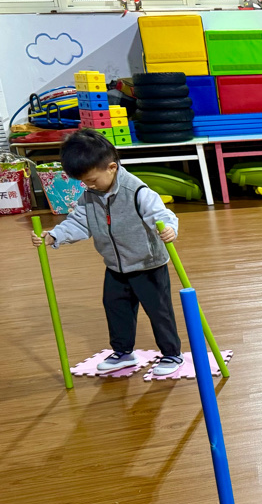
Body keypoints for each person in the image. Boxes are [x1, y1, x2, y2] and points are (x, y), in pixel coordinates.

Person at [31, 130, 184, 377]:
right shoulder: (90, 196)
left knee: (159, 311)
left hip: (148, 264)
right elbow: (80, 222)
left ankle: (171, 353)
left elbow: (161, 214)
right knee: (115, 308)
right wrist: (54, 235)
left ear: (112, 167)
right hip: (115, 265)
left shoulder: (137, 191)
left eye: (92, 180)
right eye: (84, 182)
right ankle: (123, 352)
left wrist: (169, 229)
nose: (89, 186)